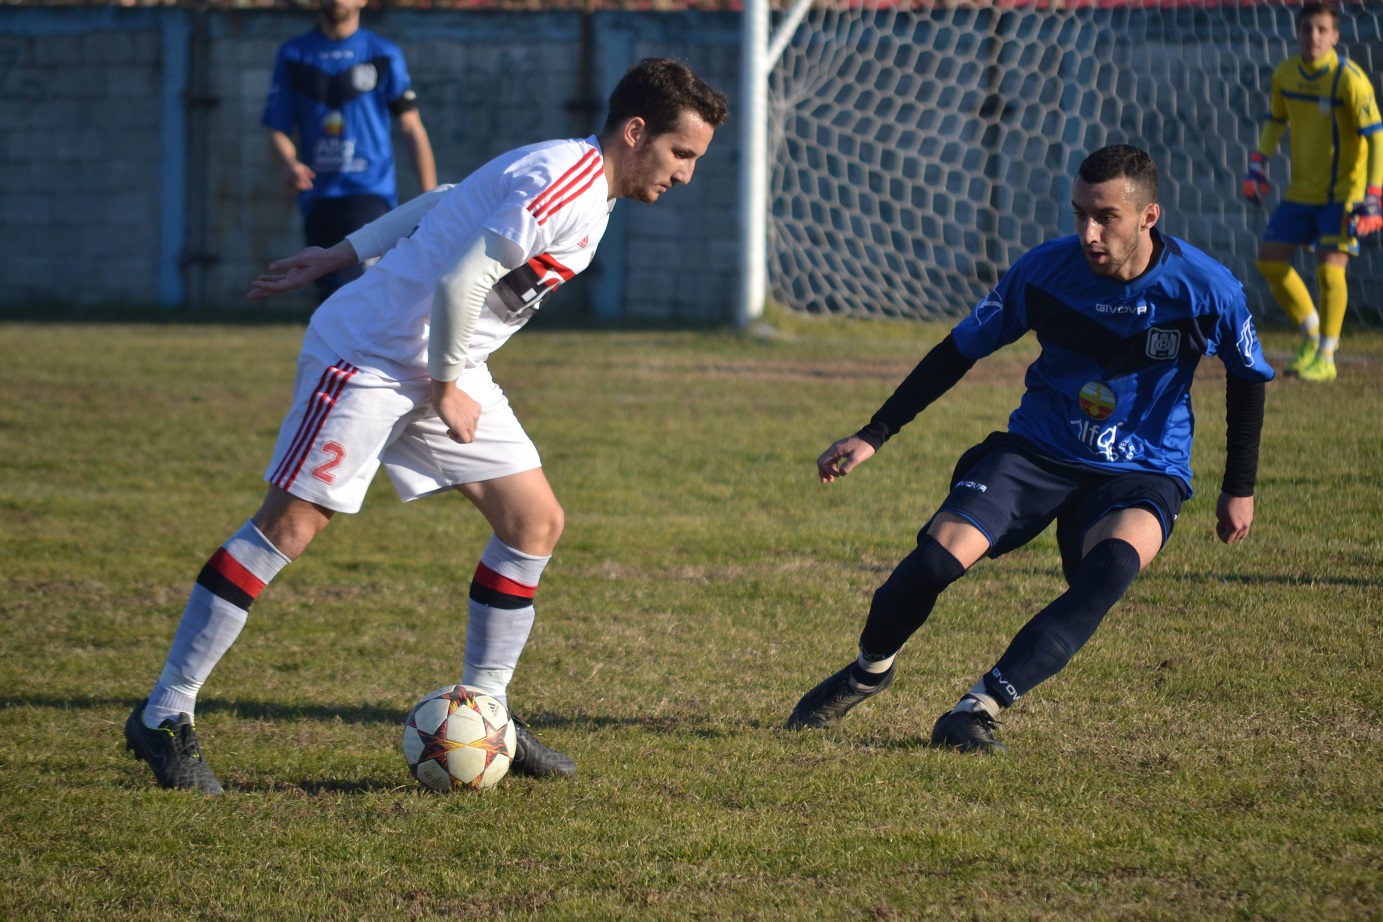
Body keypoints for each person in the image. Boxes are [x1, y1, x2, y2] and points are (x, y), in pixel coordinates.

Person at [125, 58, 729, 794]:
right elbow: (459, 280)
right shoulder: (565, 177)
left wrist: (344, 254)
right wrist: (440, 383)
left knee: (532, 521)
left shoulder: (580, 180)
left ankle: (488, 712)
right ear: (636, 132)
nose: (686, 174)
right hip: (374, 354)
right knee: (289, 527)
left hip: (444, 361)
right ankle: (164, 713)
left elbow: (446, 199)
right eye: (682, 154)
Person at [787, 145, 1273, 754]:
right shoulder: (1045, 271)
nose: (1088, 233)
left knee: (1111, 569)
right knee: (937, 559)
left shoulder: (1206, 289)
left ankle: (976, 709)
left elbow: (1249, 375)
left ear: (1149, 216)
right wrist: (874, 433)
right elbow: (960, 349)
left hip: (1142, 470)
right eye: (1079, 214)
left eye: (1105, 217)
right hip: (1037, 451)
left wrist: (1240, 486)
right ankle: (868, 671)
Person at [1242, 1, 1382, 383]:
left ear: (1335, 35)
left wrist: (1374, 196)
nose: (1314, 37)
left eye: (1322, 30)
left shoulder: (1348, 79)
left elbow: (1377, 136)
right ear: (1297, 33)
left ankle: (1326, 355)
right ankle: (1311, 331)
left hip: (1344, 193)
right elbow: (1275, 121)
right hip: (1303, 191)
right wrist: (1258, 165)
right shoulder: (1286, 74)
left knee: (1329, 267)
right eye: (1307, 29)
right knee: (1269, 260)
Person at [263, 0, 438, 302]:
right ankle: (335, 350)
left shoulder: (383, 53)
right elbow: (277, 128)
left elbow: (411, 127)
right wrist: (289, 163)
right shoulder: (294, 54)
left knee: (359, 290)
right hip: (318, 196)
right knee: (330, 296)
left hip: (370, 193)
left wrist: (432, 197)